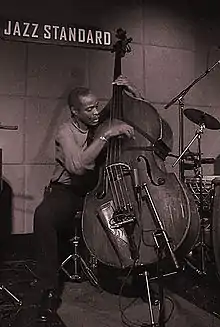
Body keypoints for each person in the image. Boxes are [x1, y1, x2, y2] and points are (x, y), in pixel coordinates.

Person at [32, 77, 137, 322]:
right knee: (43, 215)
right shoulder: (65, 131)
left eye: (97, 106)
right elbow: (78, 166)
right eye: (89, 109)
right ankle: (48, 290)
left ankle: (134, 272)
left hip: (100, 189)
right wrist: (106, 135)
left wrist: (131, 92)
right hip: (68, 191)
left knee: (127, 210)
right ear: (75, 112)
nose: (96, 112)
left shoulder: (100, 119)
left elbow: (138, 115)